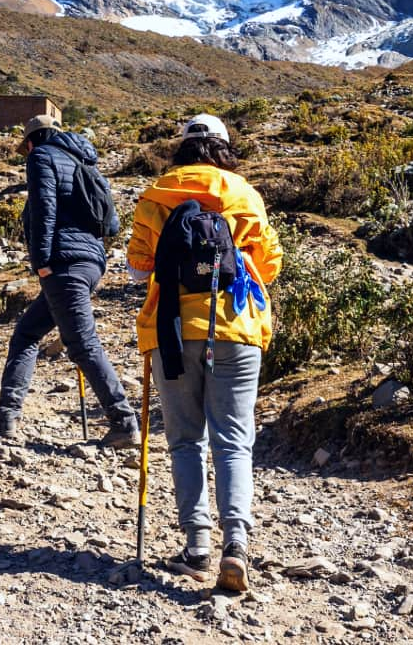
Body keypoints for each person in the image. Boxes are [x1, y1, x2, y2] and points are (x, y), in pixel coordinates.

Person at [127, 114, 282, 593]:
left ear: (184, 148)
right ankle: (236, 544)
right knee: (233, 439)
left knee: (185, 440)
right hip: (236, 328)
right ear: (224, 148)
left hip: (172, 331)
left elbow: (136, 269)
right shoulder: (244, 194)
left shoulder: (157, 194)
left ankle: (196, 546)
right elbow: (271, 265)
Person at [0, 114, 139, 445]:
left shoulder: (41, 156)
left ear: (31, 141)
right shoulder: (86, 162)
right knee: (26, 333)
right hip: (92, 262)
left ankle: (124, 420)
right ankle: (6, 415)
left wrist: (41, 262)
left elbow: (43, 209)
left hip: (63, 265)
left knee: (81, 343)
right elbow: (110, 226)